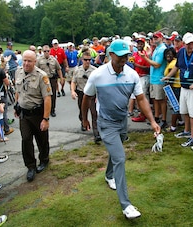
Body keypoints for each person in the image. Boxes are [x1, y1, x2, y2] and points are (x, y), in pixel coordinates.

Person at [81, 39, 160, 219]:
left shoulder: (132, 75)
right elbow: (87, 98)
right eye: (121, 55)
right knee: (120, 157)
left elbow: (141, 100)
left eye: (127, 55)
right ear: (111, 55)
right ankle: (126, 205)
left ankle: (109, 175)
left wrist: (153, 121)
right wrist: (84, 118)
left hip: (122, 122)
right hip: (106, 123)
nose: (125, 58)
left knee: (116, 152)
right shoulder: (98, 75)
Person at [14, 50, 52, 182]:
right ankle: (30, 166)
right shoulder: (18, 72)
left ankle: (44, 160)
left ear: (35, 62)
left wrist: (46, 119)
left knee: (41, 140)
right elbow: (18, 91)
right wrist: (16, 105)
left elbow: (47, 98)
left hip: (37, 114)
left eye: (29, 61)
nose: (26, 63)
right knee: (26, 140)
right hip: (24, 114)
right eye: (24, 60)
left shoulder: (42, 76)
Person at [71, 50, 101, 143]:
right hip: (81, 93)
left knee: (94, 113)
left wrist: (98, 96)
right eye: (85, 60)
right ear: (81, 60)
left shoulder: (95, 70)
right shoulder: (77, 70)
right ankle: (83, 121)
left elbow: (99, 84)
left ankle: (96, 133)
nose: (87, 61)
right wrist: (72, 91)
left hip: (92, 94)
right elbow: (73, 81)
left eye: (89, 60)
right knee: (82, 110)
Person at [139, 31, 168, 128]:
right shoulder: (156, 49)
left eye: (157, 37)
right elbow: (154, 61)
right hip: (153, 78)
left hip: (159, 78)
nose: (154, 39)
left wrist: (145, 58)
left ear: (161, 38)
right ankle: (156, 117)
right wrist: (148, 56)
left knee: (161, 100)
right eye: (154, 38)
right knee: (155, 99)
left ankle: (163, 119)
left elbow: (157, 64)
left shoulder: (162, 49)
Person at [36, 45, 64, 117]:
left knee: (53, 95)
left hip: (52, 79)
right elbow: (36, 70)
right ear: (43, 51)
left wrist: (61, 78)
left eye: (48, 51)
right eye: (45, 51)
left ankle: (52, 110)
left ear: (50, 51)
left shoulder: (53, 59)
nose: (46, 52)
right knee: (43, 95)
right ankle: (44, 110)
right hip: (43, 80)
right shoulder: (39, 60)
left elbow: (58, 69)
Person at [131, 37, 151, 122]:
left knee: (142, 97)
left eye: (141, 43)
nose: (139, 45)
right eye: (138, 43)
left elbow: (148, 68)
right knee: (136, 97)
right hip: (136, 77)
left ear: (143, 44)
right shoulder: (135, 54)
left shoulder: (145, 54)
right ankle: (141, 113)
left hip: (144, 77)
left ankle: (143, 115)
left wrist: (137, 65)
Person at [161, 47, 181, 132]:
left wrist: (168, 92)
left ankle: (173, 127)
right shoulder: (171, 63)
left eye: (170, 53)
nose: (168, 55)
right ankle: (180, 121)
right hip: (174, 87)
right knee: (176, 106)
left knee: (174, 107)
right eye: (166, 54)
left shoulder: (173, 64)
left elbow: (170, 79)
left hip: (174, 87)